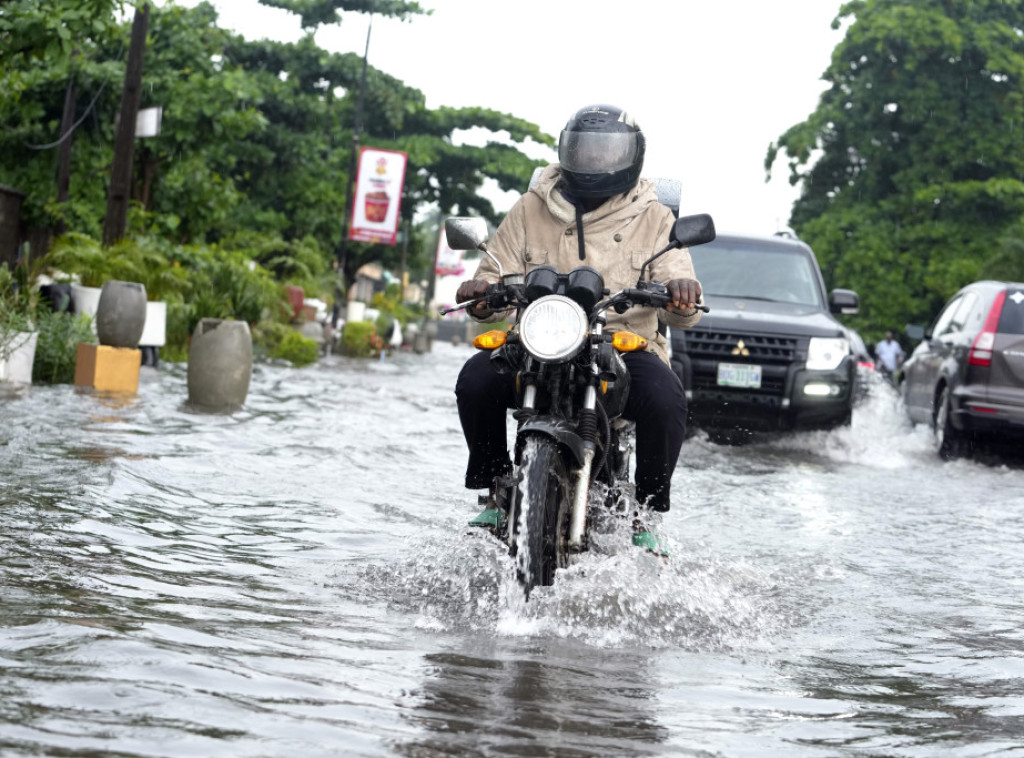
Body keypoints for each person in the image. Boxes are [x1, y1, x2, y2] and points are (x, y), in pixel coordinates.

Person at [453, 104, 704, 555]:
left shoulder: (654, 215)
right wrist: (483, 288)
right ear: (566, 151)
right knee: (475, 379)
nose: (594, 163)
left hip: (622, 342)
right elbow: (491, 282)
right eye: (585, 152)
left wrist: (681, 290)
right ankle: (493, 487)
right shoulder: (531, 207)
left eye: (606, 153)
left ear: (631, 156)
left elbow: (682, 299)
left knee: (666, 398)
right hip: (536, 339)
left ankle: (645, 512)